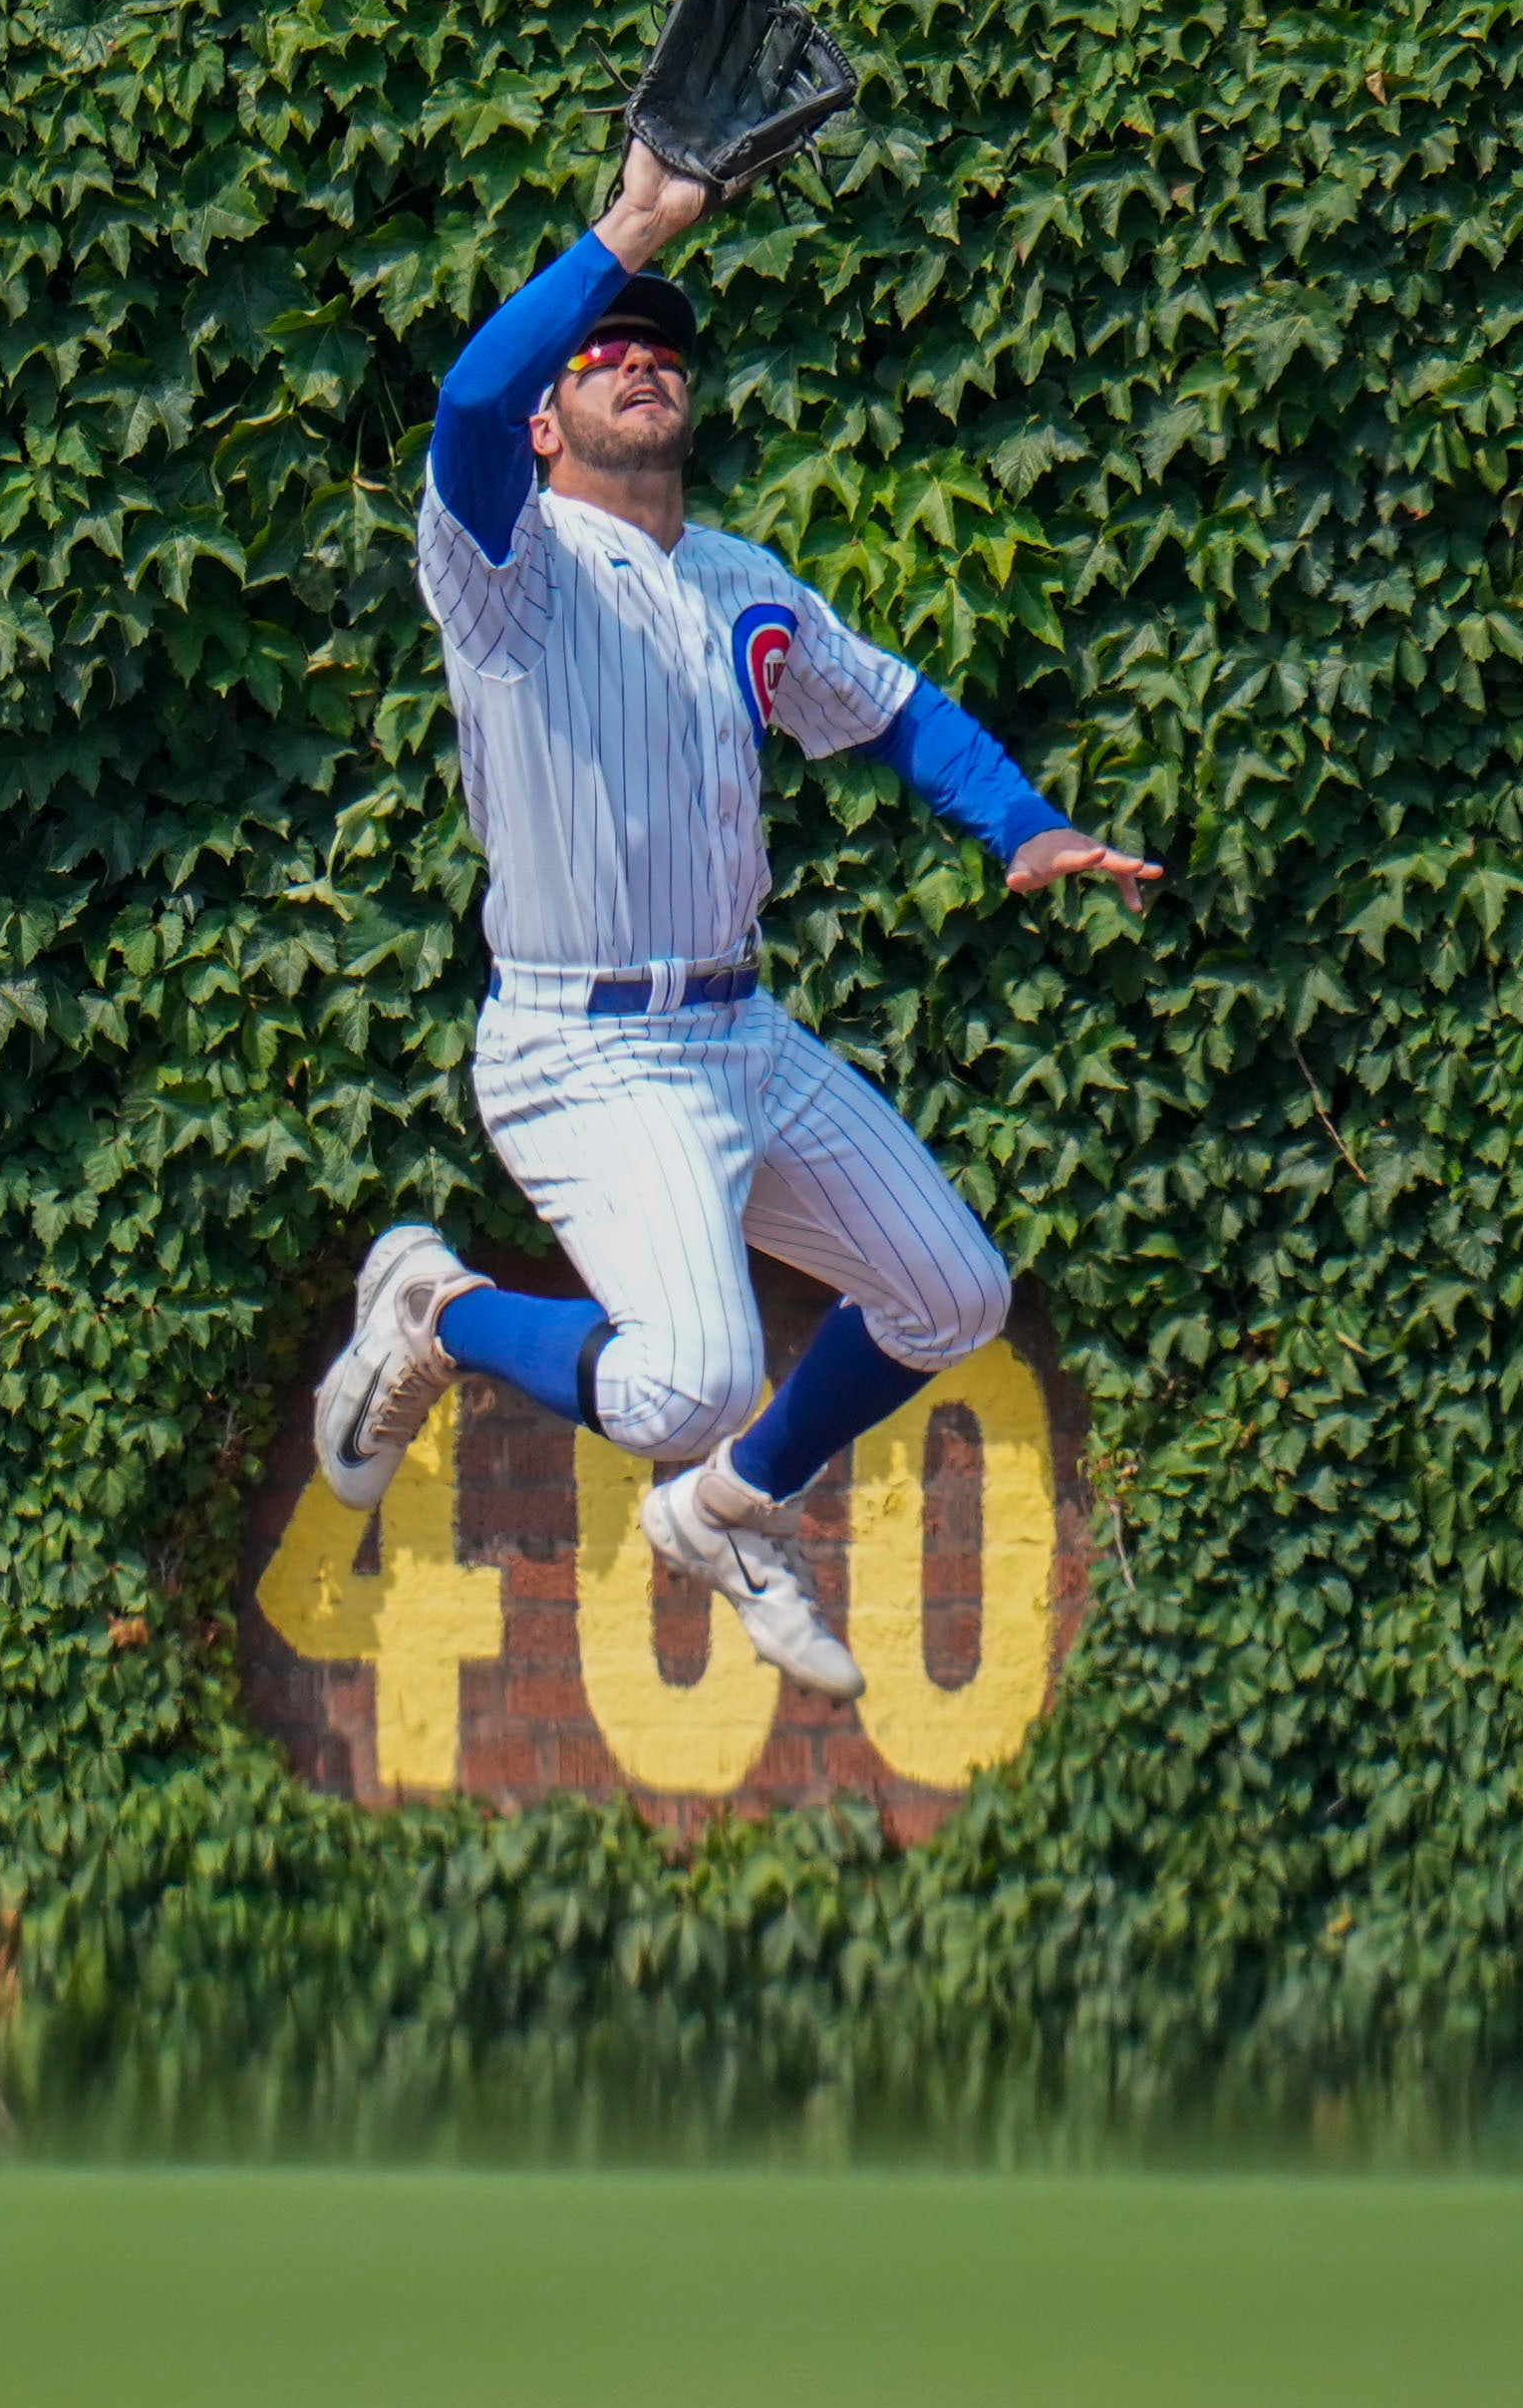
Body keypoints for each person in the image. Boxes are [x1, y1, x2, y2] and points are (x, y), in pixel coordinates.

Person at [309, 136, 1162, 1699]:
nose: (639, 360)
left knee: (954, 1290)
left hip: (737, 1032)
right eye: (606, 352)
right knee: (686, 1372)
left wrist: (1025, 825)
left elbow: (893, 707)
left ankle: (726, 1510)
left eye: (662, 351)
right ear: (553, 416)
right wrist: (624, 231)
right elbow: (459, 410)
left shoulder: (742, 579)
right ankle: (440, 1303)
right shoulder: (505, 562)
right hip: (584, 1046)